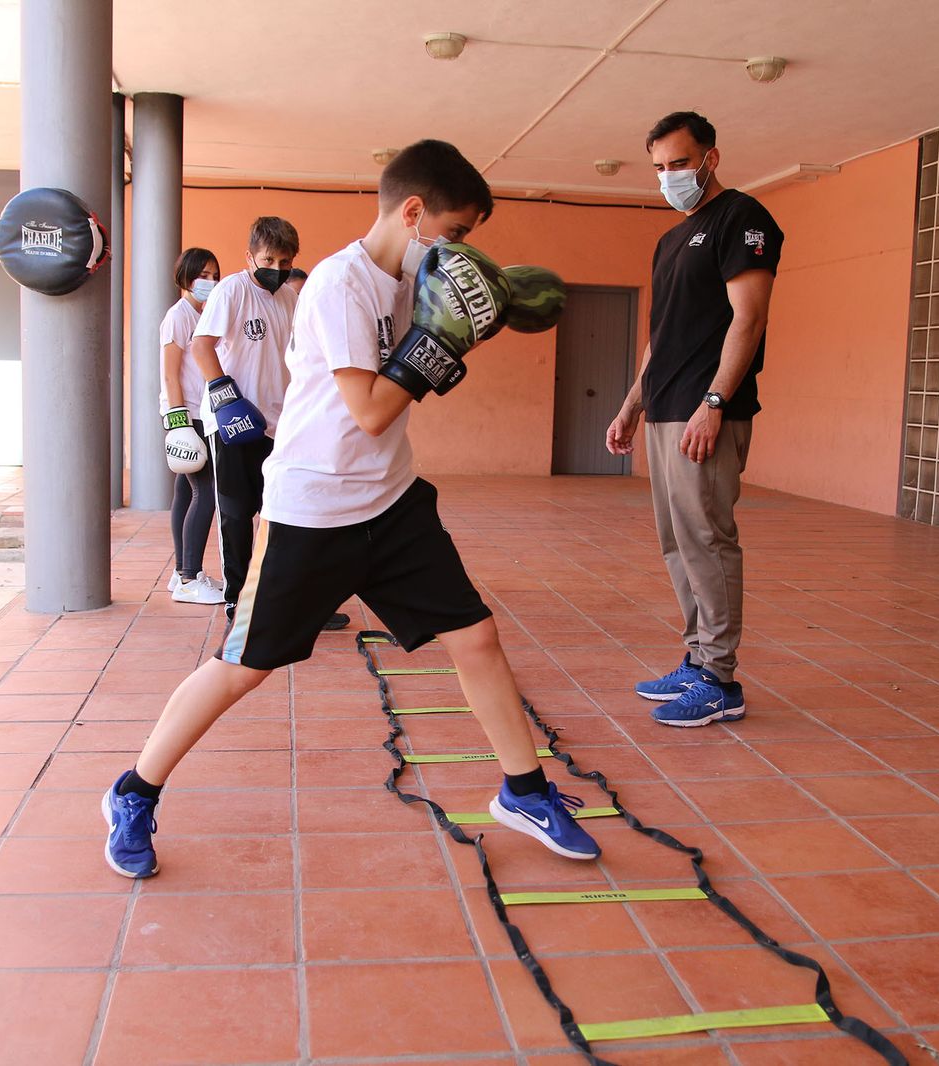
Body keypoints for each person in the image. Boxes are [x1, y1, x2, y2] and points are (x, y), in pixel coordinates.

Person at [101, 139, 601, 879]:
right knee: (243, 668)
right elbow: (369, 408)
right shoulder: (341, 285)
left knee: (477, 638)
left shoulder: (412, 281)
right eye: (455, 232)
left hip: (392, 501)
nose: (460, 251)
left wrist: (475, 320)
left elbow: (398, 400)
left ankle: (523, 790)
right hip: (312, 510)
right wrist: (436, 348)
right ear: (413, 211)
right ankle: (133, 791)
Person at [606, 111, 783, 728]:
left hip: (705, 412)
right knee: (676, 540)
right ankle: (697, 656)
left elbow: (748, 318)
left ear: (710, 157)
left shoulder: (743, 218)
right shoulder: (671, 239)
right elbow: (661, 337)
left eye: (679, 163)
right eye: (659, 168)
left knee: (708, 539)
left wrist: (714, 403)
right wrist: (633, 404)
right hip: (665, 410)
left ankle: (720, 679)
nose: (669, 177)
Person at [187, 218, 348, 631]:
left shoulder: (289, 300)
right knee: (238, 516)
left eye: (285, 260)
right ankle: (240, 604)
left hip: (281, 424)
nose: (276, 267)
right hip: (235, 424)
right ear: (249, 257)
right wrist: (225, 396)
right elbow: (202, 345)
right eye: (268, 259)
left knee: (292, 514)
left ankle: (295, 601)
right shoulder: (232, 291)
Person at [160, 247, 226, 604]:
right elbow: (170, 375)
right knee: (207, 491)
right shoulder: (178, 316)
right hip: (187, 415)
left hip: (202, 412)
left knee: (185, 493)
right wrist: (179, 423)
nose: (210, 282)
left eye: (214, 275)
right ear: (185, 277)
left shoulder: (204, 313)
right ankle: (189, 577)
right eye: (203, 275)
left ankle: (180, 572)